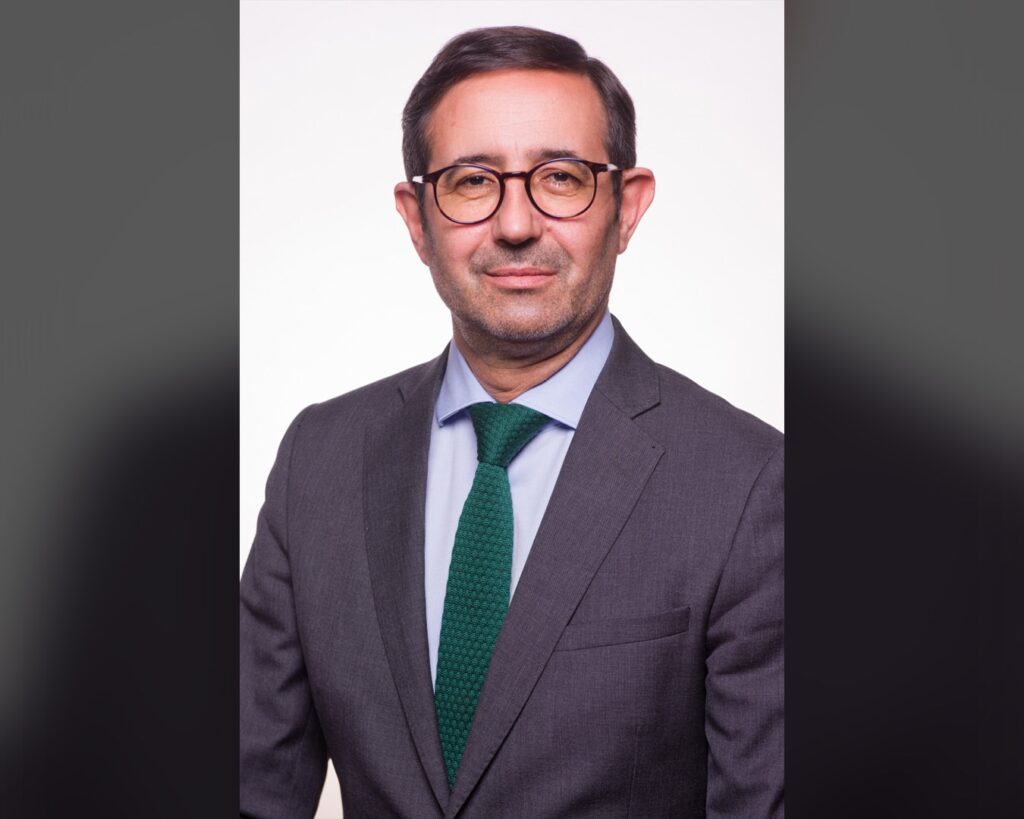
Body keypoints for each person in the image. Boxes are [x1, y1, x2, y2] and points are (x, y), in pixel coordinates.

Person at [240, 25, 783, 819]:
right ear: (417, 218)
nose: (517, 224)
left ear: (627, 207)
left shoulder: (748, 484)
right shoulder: (318, 462)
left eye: (561, 177)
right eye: (471, 181)